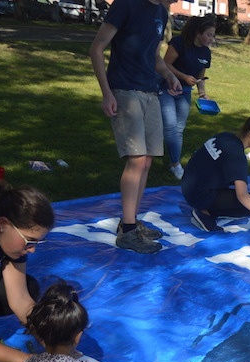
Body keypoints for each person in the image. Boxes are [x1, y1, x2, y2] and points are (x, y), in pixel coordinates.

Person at [89, 0, 182, 254]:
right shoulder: (126, 4)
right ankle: (128, 231)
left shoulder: (161, 12)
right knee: (137, 160)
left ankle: (130, 222)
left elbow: (152, 56)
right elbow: (97, 48)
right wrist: (107, 93)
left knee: (147, 161)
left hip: (150, 92)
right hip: (124, 90)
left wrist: (169, 75)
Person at [0, 180, 54, 362]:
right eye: (29, 241)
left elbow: (20, 299)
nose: (32, 250)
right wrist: (25, 360)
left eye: (37, 243)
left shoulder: (8, 242)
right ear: (3, 224)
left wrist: (54, 343)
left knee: (30, 286)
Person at [181, 113, 250, 237]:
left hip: (187, 185)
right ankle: (204, 214)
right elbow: (242, 195)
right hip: (199, 196)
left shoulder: (225, 136)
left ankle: (204, 207)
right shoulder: (237, 156)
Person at [160, 15, 215, 181]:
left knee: (178, 129)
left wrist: (202, 93)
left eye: (213, 35)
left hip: (185, 92)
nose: (211, 39)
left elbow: (200, 76)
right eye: (209, 34)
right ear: (198, 33)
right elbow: (165, 64)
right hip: (166, 87)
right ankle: (175, 164)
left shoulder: (206, 53)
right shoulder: (179, 43)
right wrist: (183, 77)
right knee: (170, 127)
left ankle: (168, 156)